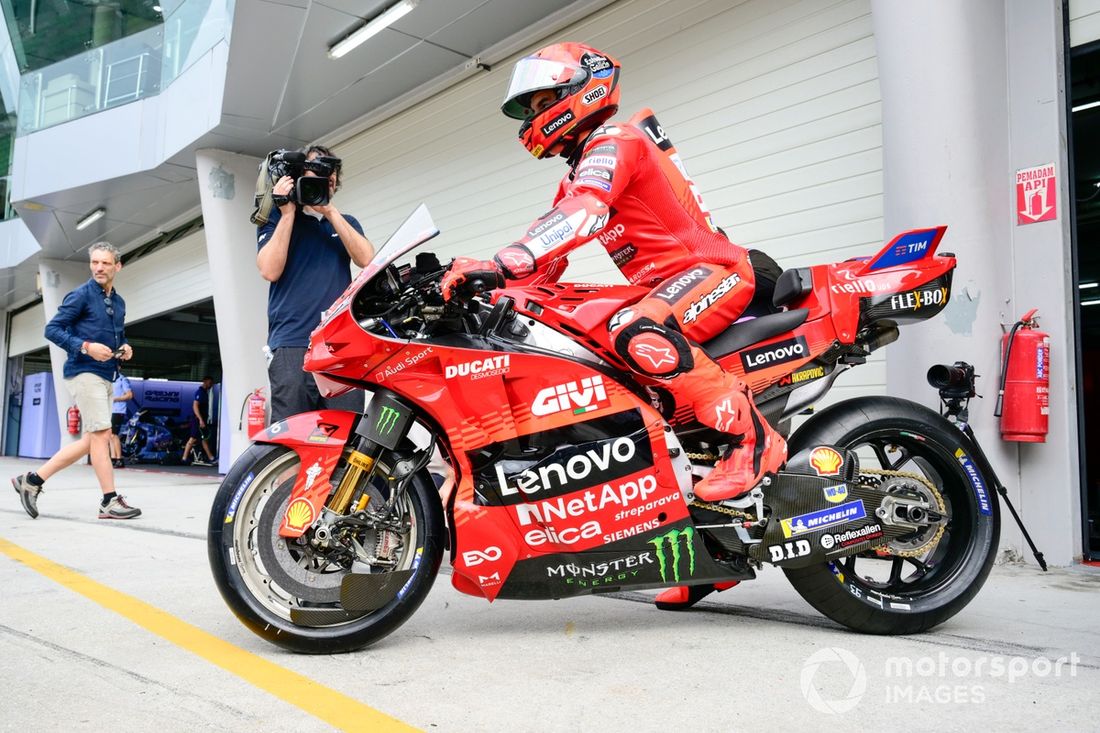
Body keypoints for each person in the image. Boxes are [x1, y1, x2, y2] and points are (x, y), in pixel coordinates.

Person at [441, 43, 786, 609]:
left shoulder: (615, 141)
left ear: (583, 90)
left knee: (632, 329)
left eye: (543, 103)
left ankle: (754, 441)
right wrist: (479, 287)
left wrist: (502, 262)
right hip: (667, 288)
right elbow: (545, 261)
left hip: (716, 269)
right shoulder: (578, 173)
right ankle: (711, 556)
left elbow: (584, 212)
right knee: (583, 334)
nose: (533, 118)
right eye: (531, 109)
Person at [11, 242, 141, 520]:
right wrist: (85, 346)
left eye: (105, 263)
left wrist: (124, 347)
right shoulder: (81, 295)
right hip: (84, 371)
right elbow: (52, 329)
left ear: (117, 266)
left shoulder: (119, 303)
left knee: (91, 440)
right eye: (95, 262)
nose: (99, 268)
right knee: (102, 436)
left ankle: (31, 481)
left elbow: (118, 335)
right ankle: (109, 501)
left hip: (107, 374)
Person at [256, 144, 374, 421]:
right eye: (316, 172)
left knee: (346, 429)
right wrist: (287, 214)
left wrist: (330, 212)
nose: (325, 179)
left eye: (330, 176)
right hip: (292, 342)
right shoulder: (277, 217)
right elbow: (269, 270)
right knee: (290, 432)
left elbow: (367, 259)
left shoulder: (345, 222)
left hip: (339, 344)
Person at [181, 376, 216, 466]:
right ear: (205, 382)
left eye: (212, 383)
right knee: (193, 438)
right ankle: (184, 458)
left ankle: (211, 458)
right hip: (197, 420)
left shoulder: (205, 393)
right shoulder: (200, 392)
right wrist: (200, 420)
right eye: (210, 383)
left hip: (201, 419)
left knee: (203, 439)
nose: (211, 385)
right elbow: (195, 406)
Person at [109, 370, 133, 468]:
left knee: (114, 434)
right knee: (109, 435)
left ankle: (119, 459)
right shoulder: (108, 378)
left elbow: (129, 395)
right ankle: (113, 458)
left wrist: (115, 399)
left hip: (118, 410)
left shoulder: (123, 379)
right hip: (109, 410)